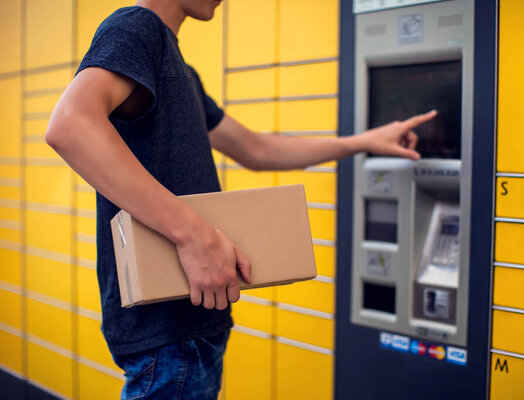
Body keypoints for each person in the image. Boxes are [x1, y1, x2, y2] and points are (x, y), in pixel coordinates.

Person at [46, 0, 436, 398]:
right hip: (168, 331)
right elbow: (71, 125)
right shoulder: (136, 29)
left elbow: (255, 149)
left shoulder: (179, 67)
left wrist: (367, 142)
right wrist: (193, 234)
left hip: (192, 324)